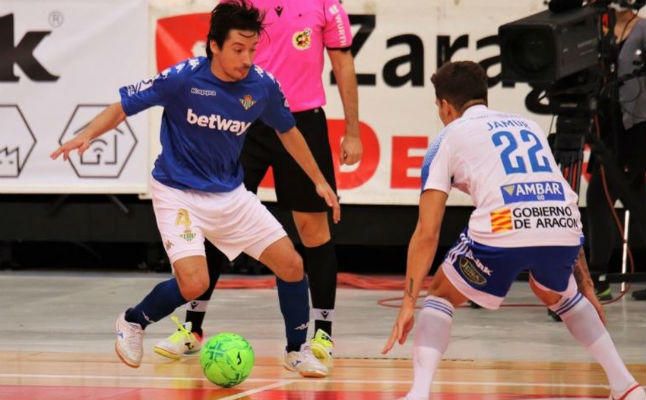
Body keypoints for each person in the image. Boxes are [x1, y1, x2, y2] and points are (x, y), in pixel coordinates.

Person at [50, 0, 338, 377]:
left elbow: (288, 131)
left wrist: (319, 180)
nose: (247, 59)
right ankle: (133, 321)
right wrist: (87, 134)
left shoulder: (262, 86)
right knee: (194, 283)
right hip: (177, 192)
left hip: (230, 195)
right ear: (214, 45)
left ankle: (296, 350)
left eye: (252, 49)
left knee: (292, 265)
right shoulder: (183, 79)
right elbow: (123, 106)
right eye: (238, 49)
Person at [382, 61, 646, 400]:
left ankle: (418, 393)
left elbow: (427, 232)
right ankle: (626, 386)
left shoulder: (446, 138)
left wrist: (408, 302)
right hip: (561, 223)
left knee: (441, 295)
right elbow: (559, 198)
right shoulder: (529, 126)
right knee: (557, 293)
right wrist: (586, 286)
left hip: (504, 226)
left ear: (445, 106)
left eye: (439, 108)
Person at [154, 0, 361, 366]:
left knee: (313, 228)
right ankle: (192, 328)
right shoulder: (240, 5)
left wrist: (353, 131)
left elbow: (343, 63)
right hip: (243, 118)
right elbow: (216, 57)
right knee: (217, 217)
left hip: (300, 121)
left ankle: (322, 333)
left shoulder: (326, 5)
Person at [586, 3, 646, 301]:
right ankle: (598, 278)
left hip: (637, 130)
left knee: (608, 197)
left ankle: (598, 277)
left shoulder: (643, 29)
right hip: (608, 130)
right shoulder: (601, 31)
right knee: (613, 198)